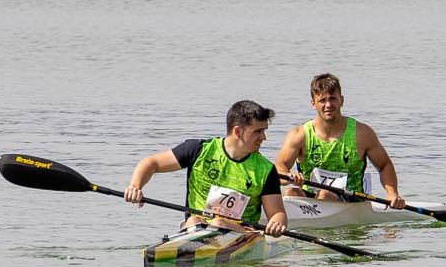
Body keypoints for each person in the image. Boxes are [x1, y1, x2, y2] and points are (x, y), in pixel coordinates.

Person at [124, 100, 288, 236]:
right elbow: (151, 163)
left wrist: (277, 223)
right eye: (258, 131)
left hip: (241, 234)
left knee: (219, 222)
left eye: (264, 131)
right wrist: (135, 186)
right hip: (195, 227)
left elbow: (277, 213)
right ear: (238, 131)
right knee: (196, 220)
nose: (264, 137)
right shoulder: (198, 150)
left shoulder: (266, 169)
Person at [275, 73, 405, 209]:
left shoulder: (362, 133)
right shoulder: (299, 134)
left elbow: (384, 165)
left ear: (341, 100)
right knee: (291, 192)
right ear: (313, 103)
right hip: (311, 197)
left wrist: (392, 194)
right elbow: (279, 168)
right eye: (322, 100)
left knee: (325, 194)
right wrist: (288, 176)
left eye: (333, 99)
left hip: (351, 200)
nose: (328, 105)